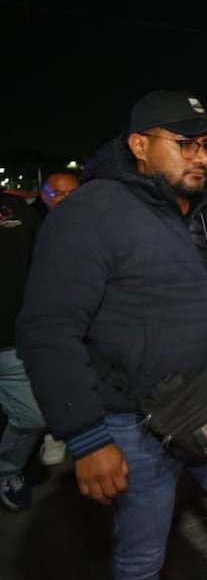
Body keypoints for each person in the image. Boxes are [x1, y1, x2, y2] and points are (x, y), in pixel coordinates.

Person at [17, 90, 207, 578]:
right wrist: (86, 437)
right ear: (139, 145)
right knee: (141, 558)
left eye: (206, 146)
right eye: (186, 144)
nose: (201, 157)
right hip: (133, 424)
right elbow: (49, 329)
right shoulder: (90, 212)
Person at [0, 191, 47, 511]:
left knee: (31, 416)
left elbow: (41, 262)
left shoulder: (14, 209)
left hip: (9, 339)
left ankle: (7, 470)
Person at [36, 169, 81, 464]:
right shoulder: (33, 229)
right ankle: (54, 434)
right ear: (44, 196)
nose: (66, 200)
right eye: (58, 194)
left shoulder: (93, 224)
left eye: (72, 193)